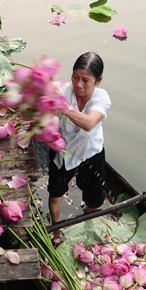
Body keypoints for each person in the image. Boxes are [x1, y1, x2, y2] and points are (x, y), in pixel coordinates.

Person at [48, 52, 111, 243]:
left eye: (86, 80)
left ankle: (86, 225)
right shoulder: (63, 91)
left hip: (90, 152)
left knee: (95, 201)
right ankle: (56, 234)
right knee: (56, 195)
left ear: (97, 81)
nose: (78, 84)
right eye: (75, 77)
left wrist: (63, 108)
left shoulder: (102, 98)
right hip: (63, 151)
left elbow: (90, 122)